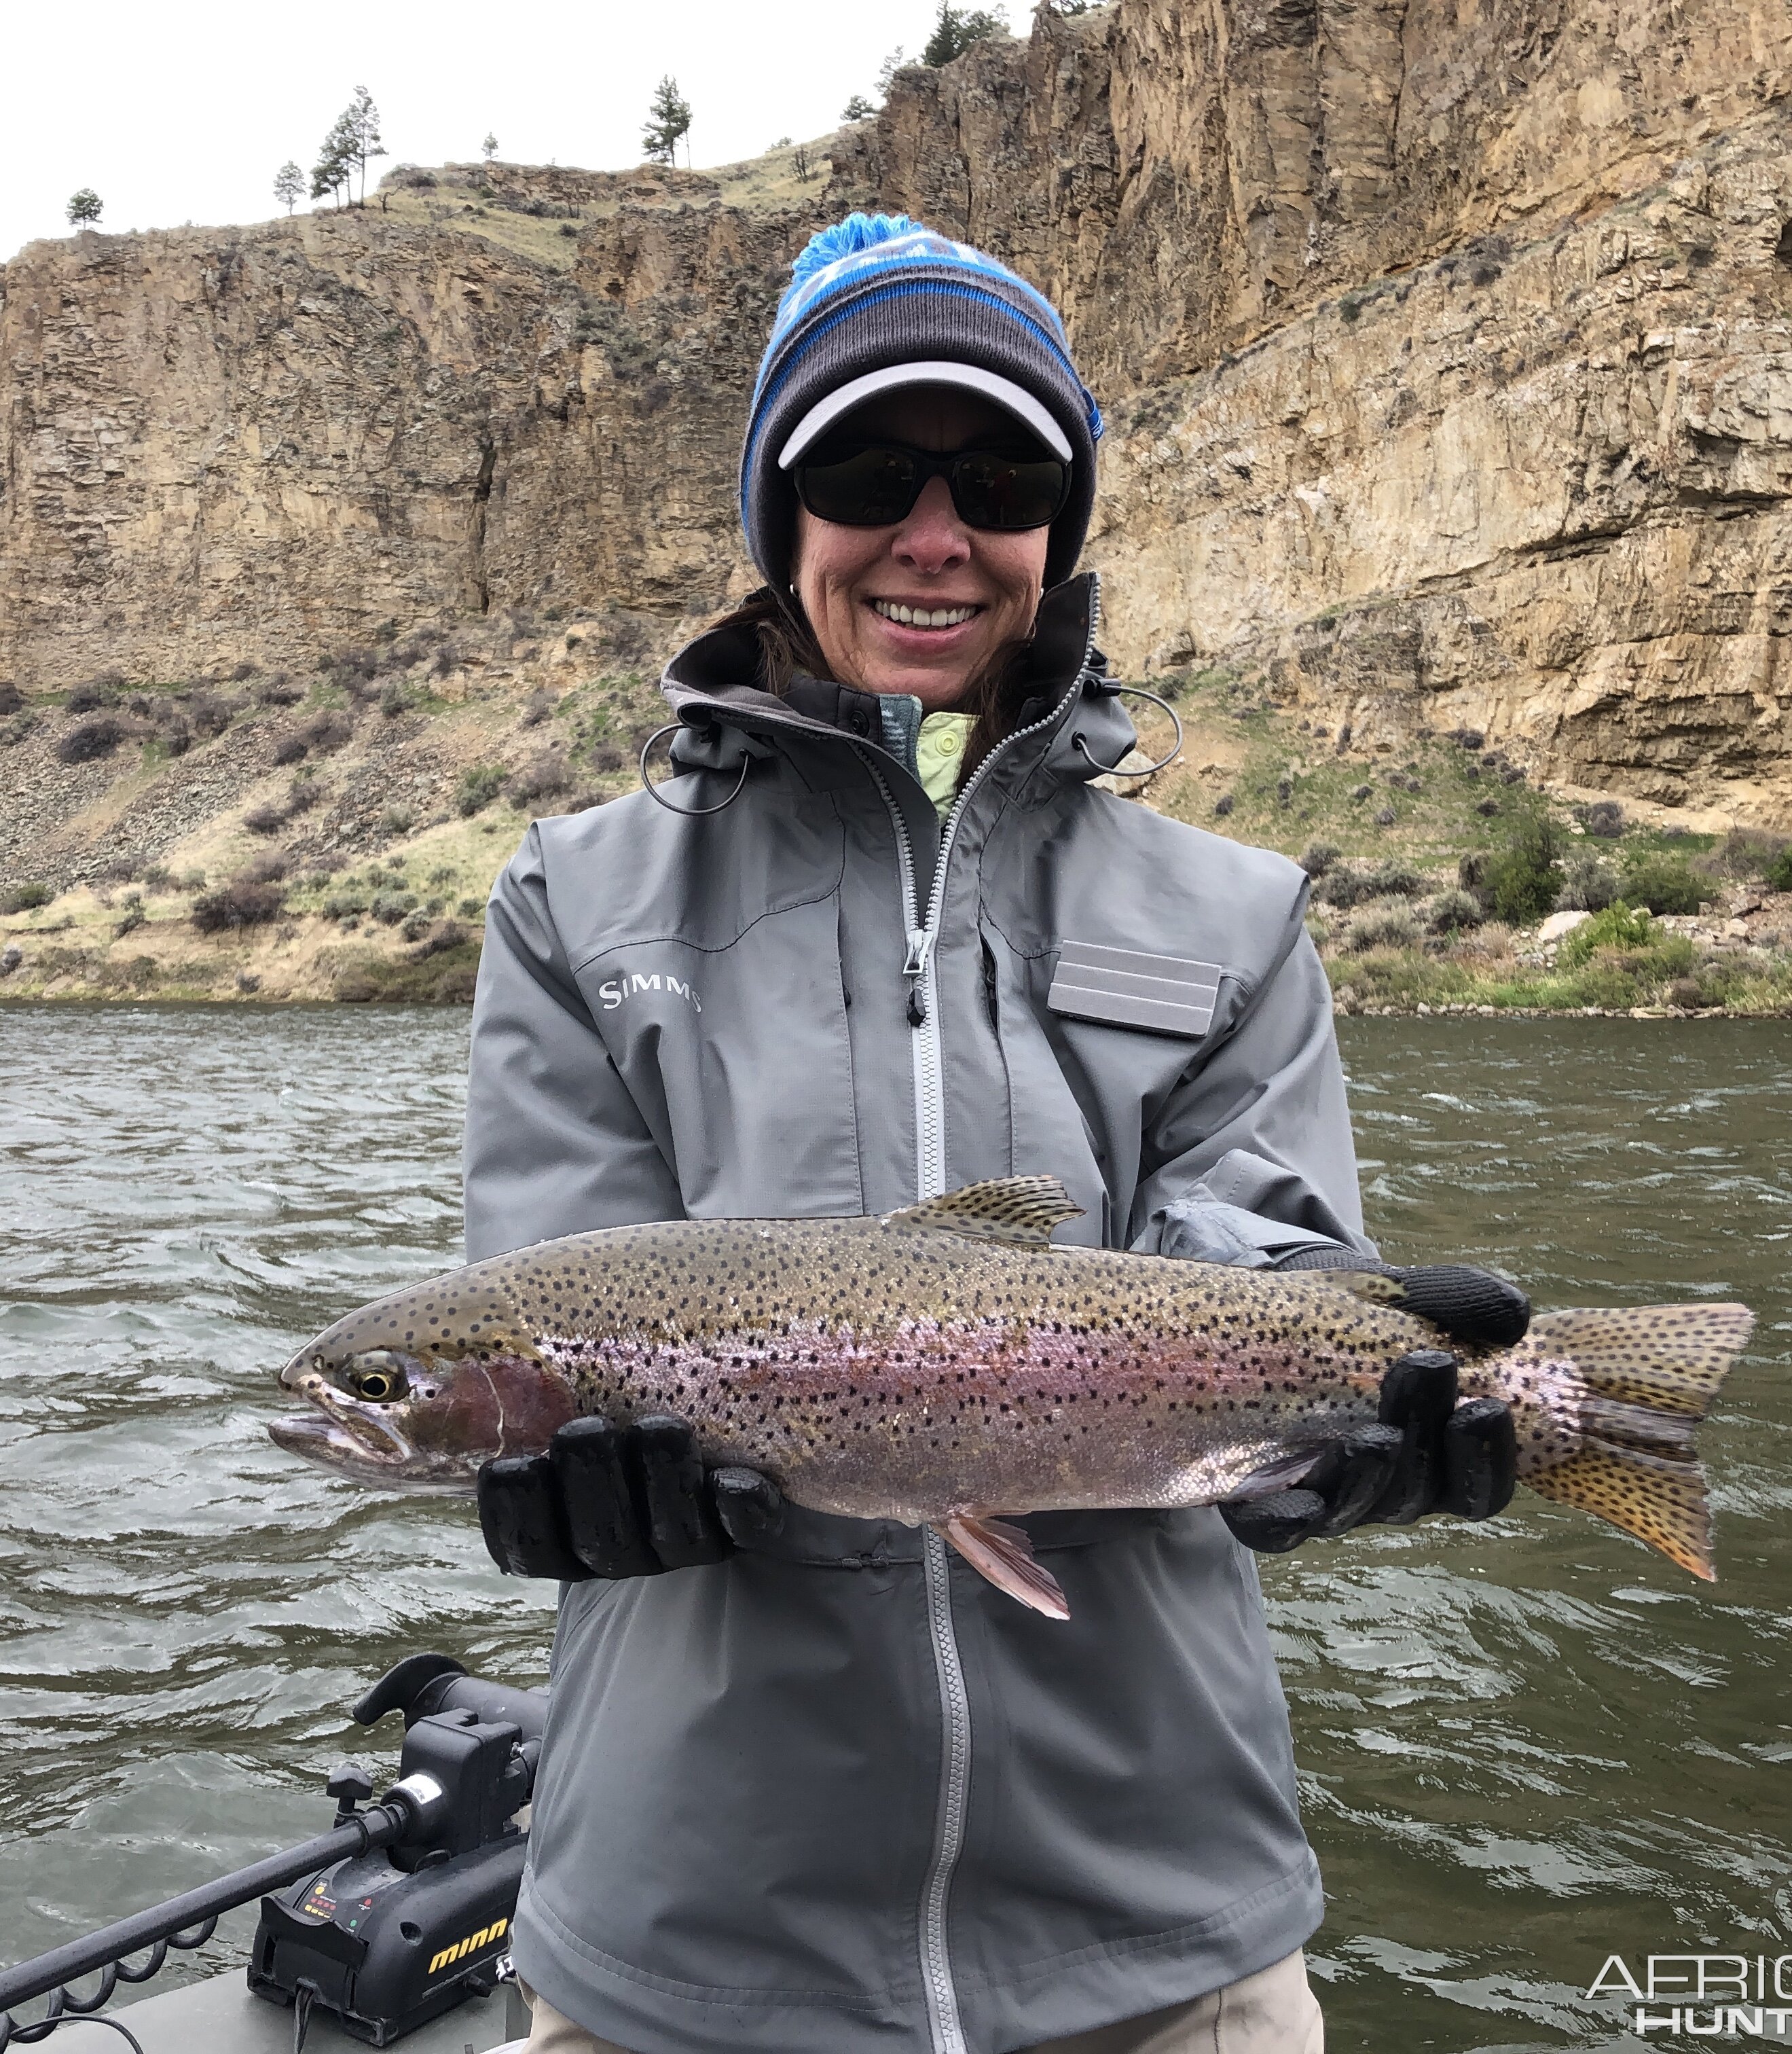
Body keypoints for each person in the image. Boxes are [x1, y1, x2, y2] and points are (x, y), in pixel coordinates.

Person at [463, 213, 1528, 2054]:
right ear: (778, 516)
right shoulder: (573, 903)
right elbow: (542, 1295)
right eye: (868, 469)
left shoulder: (1235, 910)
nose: (935, 533)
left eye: (1002, 476)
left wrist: (1335, 1420)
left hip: (1158, 1925)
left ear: (1060, 526)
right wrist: (557, 1475)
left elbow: (1256, 1245)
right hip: (686, 1939)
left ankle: (1599, 1408)